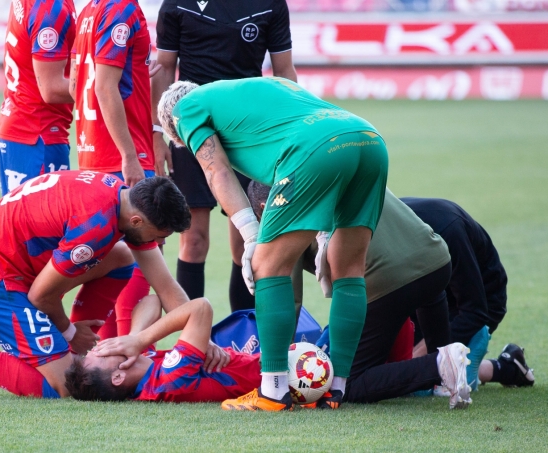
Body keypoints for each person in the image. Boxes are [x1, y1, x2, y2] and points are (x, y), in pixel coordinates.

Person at [158, 76, 389, 411]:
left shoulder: (185, 109)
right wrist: (324, 234)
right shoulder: (261, 89)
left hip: (313, 149)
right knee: (350, 270)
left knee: (267, 266)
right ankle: (336, 389)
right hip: (367, 139)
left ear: (176, 133)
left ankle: (273, 391)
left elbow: (217, 171)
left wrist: (251, 237)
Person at [0, 172, 193, 399]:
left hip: (13, 267)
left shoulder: (120, 195)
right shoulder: (93, 227)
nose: (161, 242)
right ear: (137, 220)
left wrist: (200, 341)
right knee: (72, 387)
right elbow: (40, 295)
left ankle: (75, 354)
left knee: (121, 257)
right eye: (160, 235)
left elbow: (165, 287)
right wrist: (70, 332)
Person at [248, 182, 477, 404]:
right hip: (436, 258)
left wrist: (276, 367)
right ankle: (445, 379)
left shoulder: (282, 212)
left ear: (262, 208)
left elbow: (287, 295)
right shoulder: (331, 171)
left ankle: (440, 366)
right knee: (427, 289)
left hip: (387, 281)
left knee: (349, 383)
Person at [72, 295, 472, 410]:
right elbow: (200, 308)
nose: (104, 345)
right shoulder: (165, 380)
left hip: (296, 357)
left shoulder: (146, 366)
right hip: (302, 371)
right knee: (351, 384)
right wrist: (139, 341)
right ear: (118, 376)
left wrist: (133, 336)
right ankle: (441, 364)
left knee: (380, 341)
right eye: (100, 353)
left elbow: (148, 301)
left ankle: (470, 367)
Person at [151, 0, 297, 310]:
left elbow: (284, 70)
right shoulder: (177, 4)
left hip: (247, 132)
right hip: (190, 128)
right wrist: (156, 133)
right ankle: (192, 342)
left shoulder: (270, 4)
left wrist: (291, 129)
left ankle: (242, 336)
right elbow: (163, 67)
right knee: (193, 240)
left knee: (247, 239)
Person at [70, 0, 158, 340]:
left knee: (108, 261)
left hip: (91, 155)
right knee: (143, 258)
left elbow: (76, 82)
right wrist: (130, 155)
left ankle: (104, 351)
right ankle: (126, 352)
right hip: (121, 154)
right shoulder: (121, 9)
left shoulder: (90, 10)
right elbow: (104, 86)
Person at [401, 197, 534, 389]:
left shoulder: (448, 231)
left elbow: (474, 311)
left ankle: (496, 369)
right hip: (427, 294)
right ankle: (507, 367)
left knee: (419, 379)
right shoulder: (376, 229)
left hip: (481, 301)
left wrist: (418, 358)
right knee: (398, 368)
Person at [0, 0, 77, 195]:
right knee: (40, 224)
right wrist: (107, 86)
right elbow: (51, 89)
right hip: (38, 135)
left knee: (20, 222)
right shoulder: (50, 9)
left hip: (21, 127)